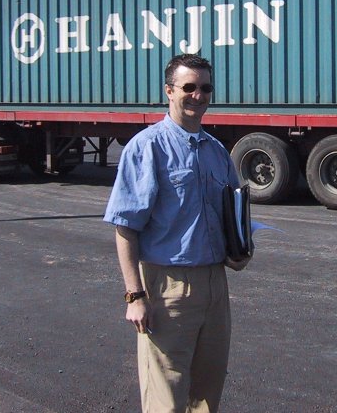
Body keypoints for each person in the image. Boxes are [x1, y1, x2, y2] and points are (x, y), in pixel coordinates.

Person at [104, 53, 250, 413]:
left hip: (215, 284)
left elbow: (232, 212)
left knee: (206, 393)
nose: (197, 95)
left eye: (205, 88)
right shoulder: (147, 147)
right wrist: (134, 295)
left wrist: (241, 247)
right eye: (188, 87)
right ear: (169, 90)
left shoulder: (217, 152)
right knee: (165, 396)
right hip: (167, 287)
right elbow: (125, 226)